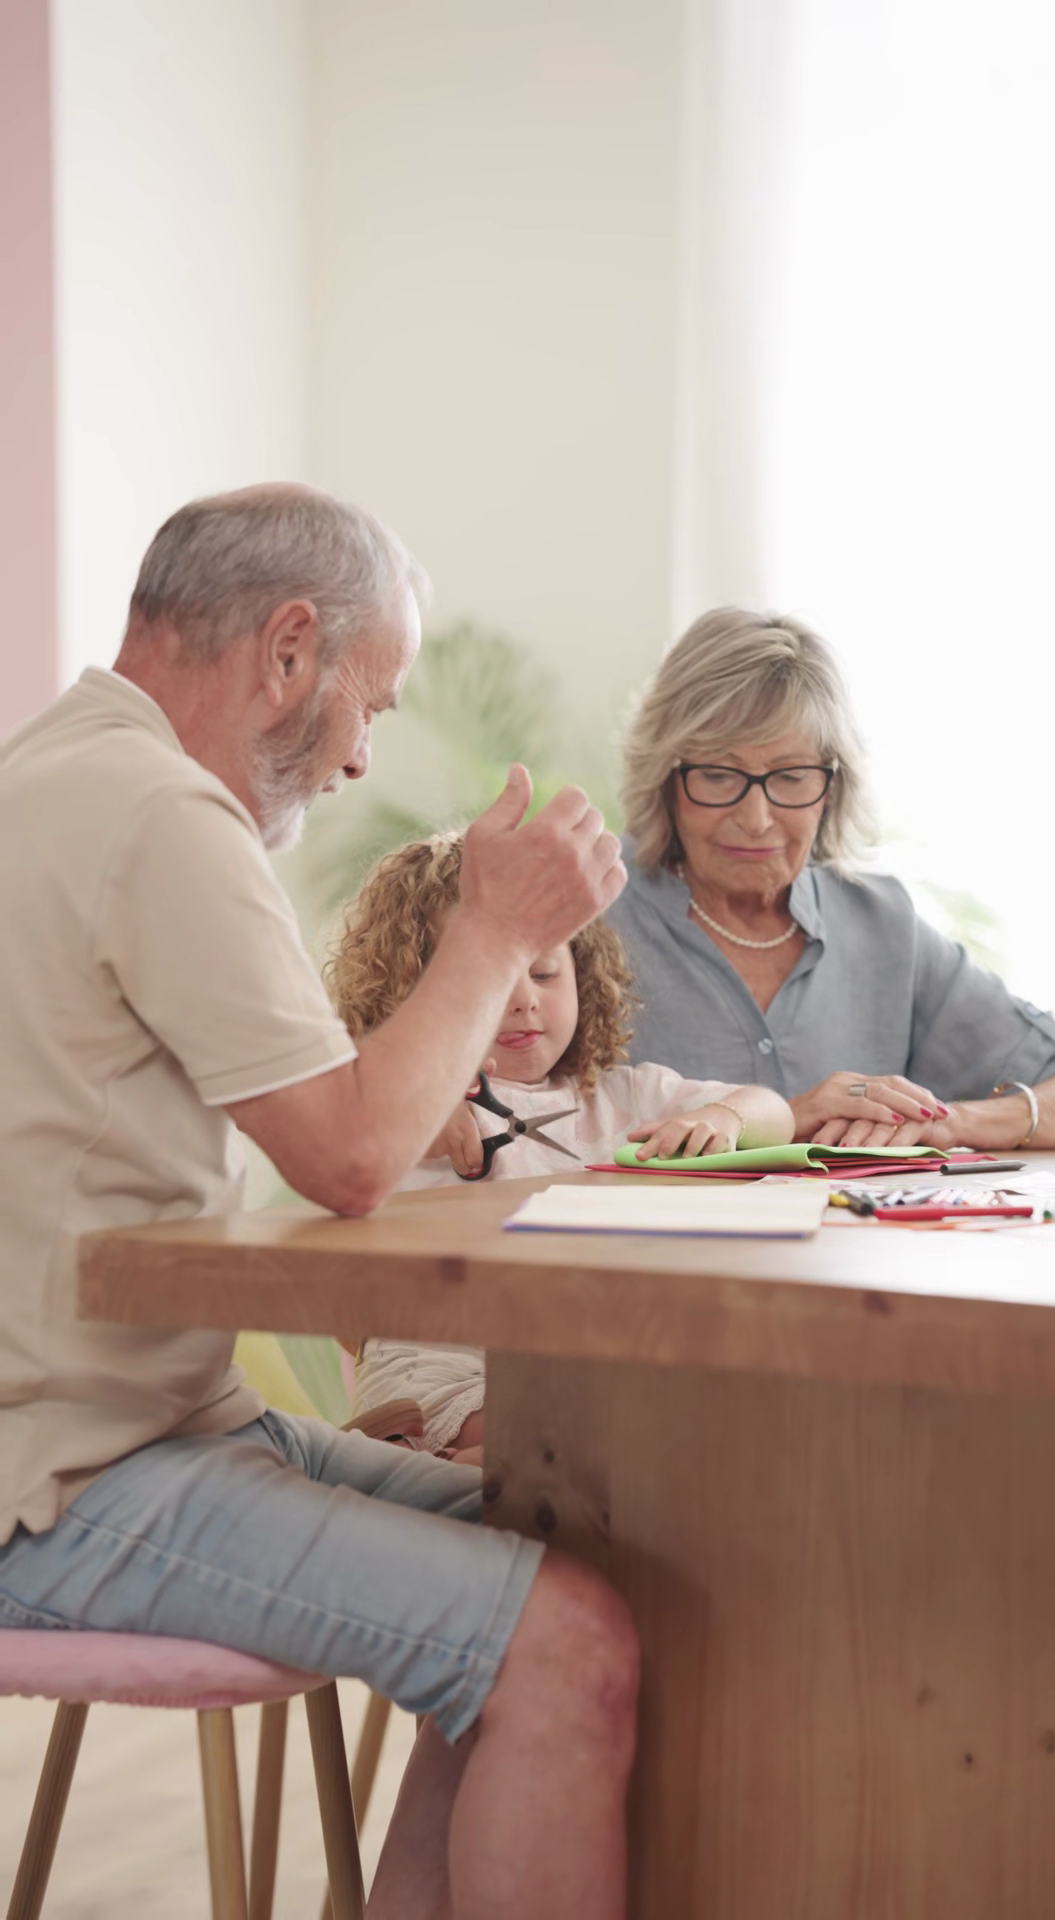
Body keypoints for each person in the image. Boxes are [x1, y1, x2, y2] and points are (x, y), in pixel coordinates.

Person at [0, 484, 639, 1920]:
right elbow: (352, 1158)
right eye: (371, 703)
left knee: (571, 1545)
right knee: (568, 1639)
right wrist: (496, 929)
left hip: (149, 1428)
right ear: (289, 647)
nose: (361, 756)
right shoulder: (161, 813)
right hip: (61, 1483)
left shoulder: (54, 768)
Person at [326, 831, 795, 1454]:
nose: (524, 1001)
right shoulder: (406, 1098)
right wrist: (407, 1110)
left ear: (583, 975)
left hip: (588, 1361)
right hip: (447, 1366)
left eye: (545, 972)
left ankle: (460, 1474)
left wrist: (726, 1118)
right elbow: (339, 1164)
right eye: (492, 977)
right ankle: (442, 1463)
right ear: (413, 993)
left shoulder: (625, 1095)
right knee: (575, 1447)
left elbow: (775, 1114)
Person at [607, 607, 1055, 1153]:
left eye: (791, 776)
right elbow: (533, 1132)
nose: (756, 819)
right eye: (717, 775)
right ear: (665, 778)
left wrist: (950, 1122)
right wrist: (785, 1119)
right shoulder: (591, 913)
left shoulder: (882, 924)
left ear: (833, 787)